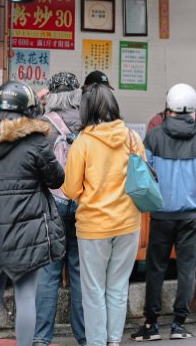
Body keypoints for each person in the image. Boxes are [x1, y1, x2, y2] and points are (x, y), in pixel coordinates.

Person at [0, 80, 66, 346]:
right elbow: (56, 180)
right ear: (27, 109)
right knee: (25, 295)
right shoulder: (35, 141)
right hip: (26, 231)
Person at [131, 83, 196, 341]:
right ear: (194, 110)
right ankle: (179, 325)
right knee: (186, 269)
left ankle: (151, 325)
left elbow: (144, 175)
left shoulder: (154, 137)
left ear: (168, 108)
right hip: (191, 217)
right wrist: (194, 189)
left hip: (160, 214)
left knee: (155, 269)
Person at [62, 83, 142, 346]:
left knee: (93, 289)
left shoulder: (83, 143)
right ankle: (113, 341)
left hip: (94, 226)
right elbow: (140, 178)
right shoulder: (132, 137)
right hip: (128, 222)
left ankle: (96, 342)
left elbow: (71, 189)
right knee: (118, 286)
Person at [33, 71, 86, 346]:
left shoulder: (41, 124)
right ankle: (85, 337)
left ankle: (41, 338)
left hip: (50, 205)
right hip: (82, 205)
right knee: (79, 271)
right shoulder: (89, 122)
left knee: (49, 273)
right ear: (78, 94)